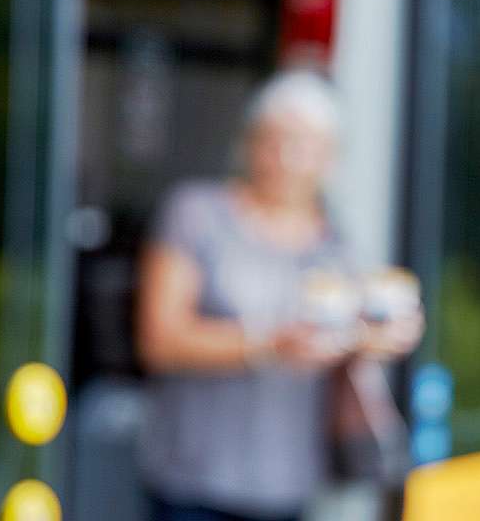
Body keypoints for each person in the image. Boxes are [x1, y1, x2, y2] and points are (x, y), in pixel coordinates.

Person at [135, 71, 422, 521]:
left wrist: (379, 337)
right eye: (276, 140)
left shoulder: (337, 246)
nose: (288, 158)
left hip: (289, 485)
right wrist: (271, 345)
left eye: (307, 144)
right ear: (249, 143)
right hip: (192, 478)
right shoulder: (196, 213)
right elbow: (159, 340)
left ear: (330, 159)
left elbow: (351, 338)